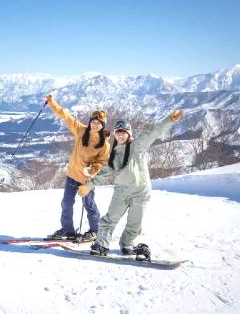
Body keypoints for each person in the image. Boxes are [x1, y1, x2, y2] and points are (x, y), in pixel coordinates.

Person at [78, 110, 184, 256]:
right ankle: (101, 244)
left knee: (135, 222)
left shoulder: (138, 146)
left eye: (123, 132)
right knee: (110, 219)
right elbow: (105, 174)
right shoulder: (114, 154)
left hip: (140, 192)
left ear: (129, 133)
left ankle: (127, 244)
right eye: (118, 132)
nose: (120, 135)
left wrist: (170, 120)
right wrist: (88, 186)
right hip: (121, 192)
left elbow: (153, 132)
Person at [45, 95, 110, 242]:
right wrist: (52, 103)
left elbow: (101, 161)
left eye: (99, 123)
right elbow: (66, 116)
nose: (95, 125)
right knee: (66, 203)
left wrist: (93, 169)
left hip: (86, 180)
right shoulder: (81, 131)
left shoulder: (104, 144)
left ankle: (95, 230)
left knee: (89, 205)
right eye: (93, 122)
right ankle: (68, 231)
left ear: (103, 126)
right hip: (72, 175)